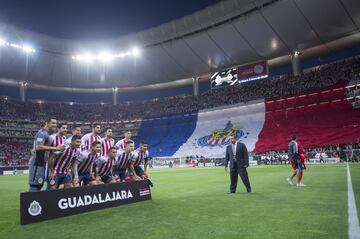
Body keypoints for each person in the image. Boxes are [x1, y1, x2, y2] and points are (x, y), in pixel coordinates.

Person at [28, 117, 64, 192]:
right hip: (37, 163)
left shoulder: (47, 134)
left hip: (42, 163)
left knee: (39, 185)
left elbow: (36, 146)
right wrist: (56, 148)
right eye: (53, 123)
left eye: (56, 123)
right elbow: (38, 146)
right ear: (46, 123)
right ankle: (30, 203)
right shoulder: (42, 133)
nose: (55, 125)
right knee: (35, 185)